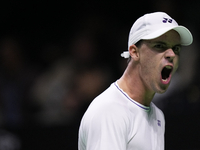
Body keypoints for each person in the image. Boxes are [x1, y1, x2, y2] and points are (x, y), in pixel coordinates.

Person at [78, 12, 193, 150]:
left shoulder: (158, 116)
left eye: (176, 48)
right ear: (134, 52)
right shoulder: (109, 111)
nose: (172, 54)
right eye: (160, 46)